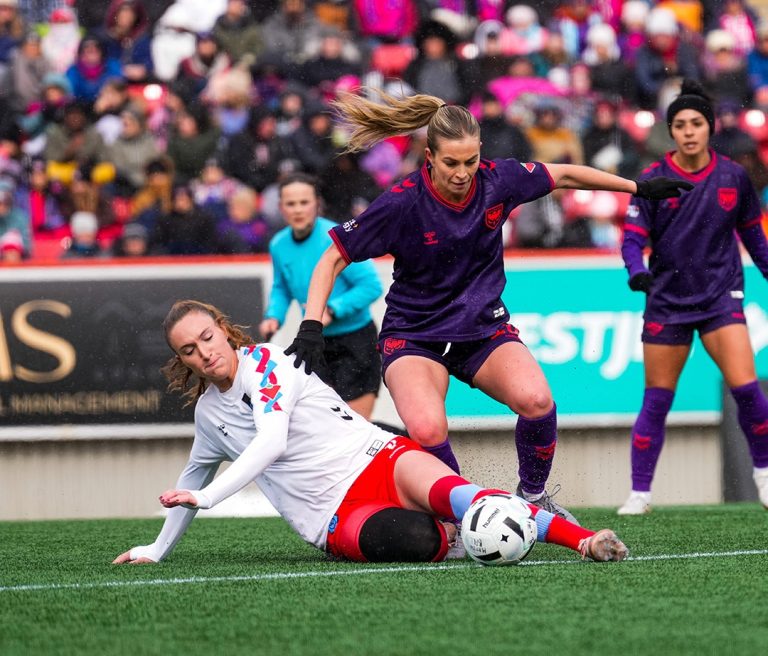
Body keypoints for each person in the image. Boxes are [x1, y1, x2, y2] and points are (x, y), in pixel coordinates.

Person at [285, 88, 692, 521]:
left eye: (470, 162)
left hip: (482, 330)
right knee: (426, 430)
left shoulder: (501, 179)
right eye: (451, 163)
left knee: (537, 402)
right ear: (429, 157)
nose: (462, 173)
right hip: (413, 335)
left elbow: (567, 175)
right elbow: (332, 257)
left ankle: (532, 499)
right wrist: (311, 325)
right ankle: (463, 519)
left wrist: (639, 188)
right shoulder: (401, 202)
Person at [112, 300, 629, 565]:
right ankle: (454, 535)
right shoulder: (209, 416)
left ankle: (583, 541)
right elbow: (191, 476)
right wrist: (158, 548)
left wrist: (207, 496)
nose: (205, 352)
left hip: (380, 456)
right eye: (189, 350)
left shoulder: (266, 364)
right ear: (182, 360)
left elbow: (269, 443)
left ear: (223, 329)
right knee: (422, 538)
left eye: (208, 336)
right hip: (335, 516)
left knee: (462, 496)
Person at [619, 79, 768, 515]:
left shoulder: (733, 177)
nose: (688, 131)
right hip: (667, 301)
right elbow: (631, 239)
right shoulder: (651, 180)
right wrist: (637, 273)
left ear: (710, 128)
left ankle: (764, 473)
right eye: (680, 124)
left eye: (696, 123)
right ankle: (640, 493)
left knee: (748, 392)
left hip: (722, 298)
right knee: (657, 400)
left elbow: (754, 239)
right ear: (670, 130)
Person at [259, 173, 382, 420]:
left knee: (354, 428)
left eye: (304, 202)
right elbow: (282, 287)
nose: (298, 210)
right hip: (314, 346)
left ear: (317, 203)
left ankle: (409, 447)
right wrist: (274, 316)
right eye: (291, 204)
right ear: (281, 208)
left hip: (356, 343)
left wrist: (333, 309)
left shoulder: (337, 237)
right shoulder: (278, 244)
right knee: (325, 428)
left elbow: (371, 285)